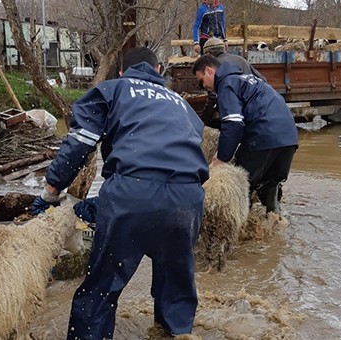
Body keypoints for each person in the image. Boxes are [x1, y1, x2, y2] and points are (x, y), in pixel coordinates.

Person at [31, 47, 209, 339]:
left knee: (101, 288)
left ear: (123, 72)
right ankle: (175, 332)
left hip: (132, 194)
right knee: (176, 285)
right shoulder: (182, 104)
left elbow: (81, 141)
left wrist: (52, 190)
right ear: (159, 70)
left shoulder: (113, 90)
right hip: (187, 199)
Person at [192, 54, 298, 214]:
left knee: (240, 184)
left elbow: (233, 123)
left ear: (209, 71)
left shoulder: (226, 85)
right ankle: (274, 227)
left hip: (264, 136)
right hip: (289, 137)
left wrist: (222, 158)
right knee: (270, 183)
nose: (204, 87)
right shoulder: (246, 78)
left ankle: (244, 232)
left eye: (201, 82)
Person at [199, 37, 265, 128]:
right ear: (224, 48)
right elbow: (262, 80)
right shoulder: (241, 60)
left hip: (236, 114)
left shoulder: (214, 67)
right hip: (257, 112)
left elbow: (213, 97)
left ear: (208, 54)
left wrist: (203, 121)